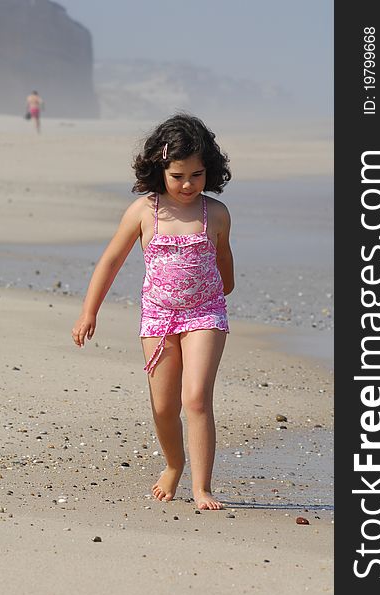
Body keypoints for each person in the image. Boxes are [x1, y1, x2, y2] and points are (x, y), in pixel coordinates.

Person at [72, 113, 234, 510]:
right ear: (160, 169)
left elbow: (225, 267)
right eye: (177, 175)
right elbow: (110, 261)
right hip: (158, 318)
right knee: (164, 406)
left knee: (196, 398)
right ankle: (174, 464)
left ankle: (202, 487)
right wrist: (88, 312)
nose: (187, 185)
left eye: (196, 175)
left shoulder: (215, 214)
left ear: (208, 171)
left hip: (204, 314)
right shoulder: (144, 211)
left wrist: (217, 293)